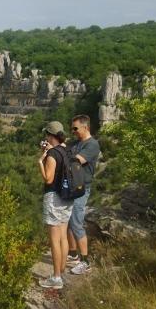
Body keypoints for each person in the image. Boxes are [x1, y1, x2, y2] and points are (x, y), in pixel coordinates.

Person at [38, 120, 73, 289]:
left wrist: (40, 162)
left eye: (47, 134)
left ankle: (56, 277)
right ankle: (62, 271)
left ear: (51, 136)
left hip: (54, 198)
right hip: (67, 197)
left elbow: (48, 178)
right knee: (63, 236)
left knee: (54, 240)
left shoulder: (52, 155)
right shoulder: (66, 150)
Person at [66, 114, 100, 275]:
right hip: (72, 187)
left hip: (82, 188)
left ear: (85, 127)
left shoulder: (92, 145)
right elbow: (65, 154)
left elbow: (75, 160)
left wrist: (62, 156)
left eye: (75, 128)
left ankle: (85, 261)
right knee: (69, 221)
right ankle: (73, 254)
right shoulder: (76, 143)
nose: (73, 131)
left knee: (77, 223)